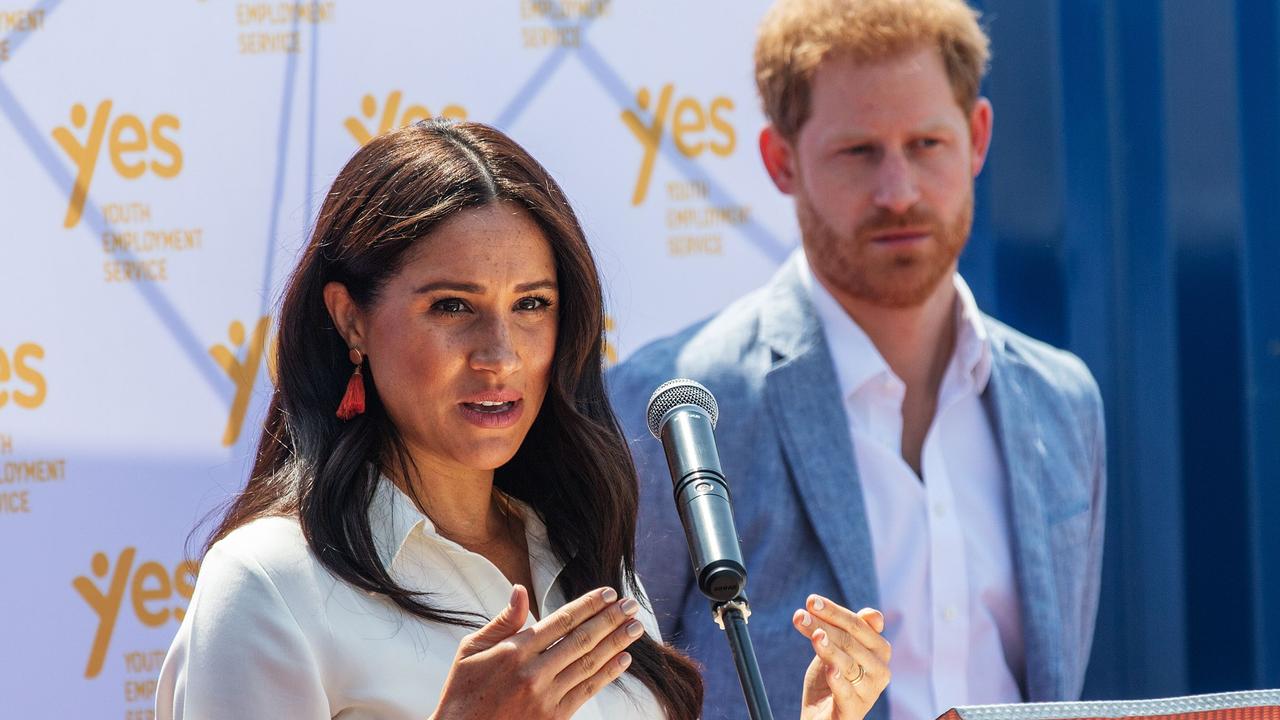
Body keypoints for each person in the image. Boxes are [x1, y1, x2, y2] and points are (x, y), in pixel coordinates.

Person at [156, 119, 891, 720]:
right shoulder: (269, 581)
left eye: (531, 306)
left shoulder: (581, 557)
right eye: (452, 307)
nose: (500, 355)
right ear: (351, 321)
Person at [607, 1, 1107, 720]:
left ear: (977, 138)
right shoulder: (673, 407)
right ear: (782, 161)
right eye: (859, 151)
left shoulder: (1064, 402)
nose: (898, 192)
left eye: (927, 144)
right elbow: (618, 698)